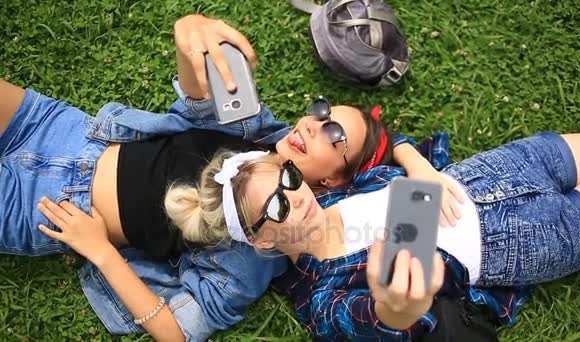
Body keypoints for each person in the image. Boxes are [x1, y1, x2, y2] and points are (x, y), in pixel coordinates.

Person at [0, 14, 458, 341]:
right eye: (321, 112)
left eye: (332, 134)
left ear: (334, 183)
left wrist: (101, 252)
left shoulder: (255, 257)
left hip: (46, 204)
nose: (311, 124)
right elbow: (199, 98)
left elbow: (176, 330)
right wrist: (189, 34)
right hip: (66, 131)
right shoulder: (259, 130)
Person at [164, 131, 580, 340]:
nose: (296, 197)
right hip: (525, 239)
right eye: (276, 206)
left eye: (290, 179)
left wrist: (418, 166)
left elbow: (395, 142)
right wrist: (401, 308)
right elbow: (381, 319)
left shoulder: (333, 196)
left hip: (494, 170)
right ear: (262, 240)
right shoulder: (325, 298)